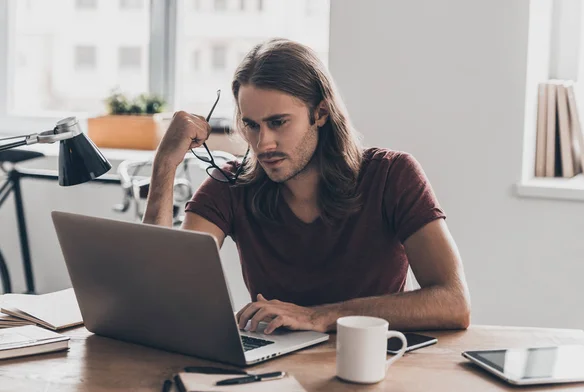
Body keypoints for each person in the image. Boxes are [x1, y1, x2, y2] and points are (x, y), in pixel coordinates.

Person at [143, 38, 470, 335]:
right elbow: (162, 294)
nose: (263, 143)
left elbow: (453, 302)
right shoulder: (231, 184)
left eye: (278, 122)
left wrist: (319, 316)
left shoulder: (392, 174)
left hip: (372, 365)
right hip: (274, 370)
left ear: (321, 113)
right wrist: (164, 165)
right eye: (251, 125)